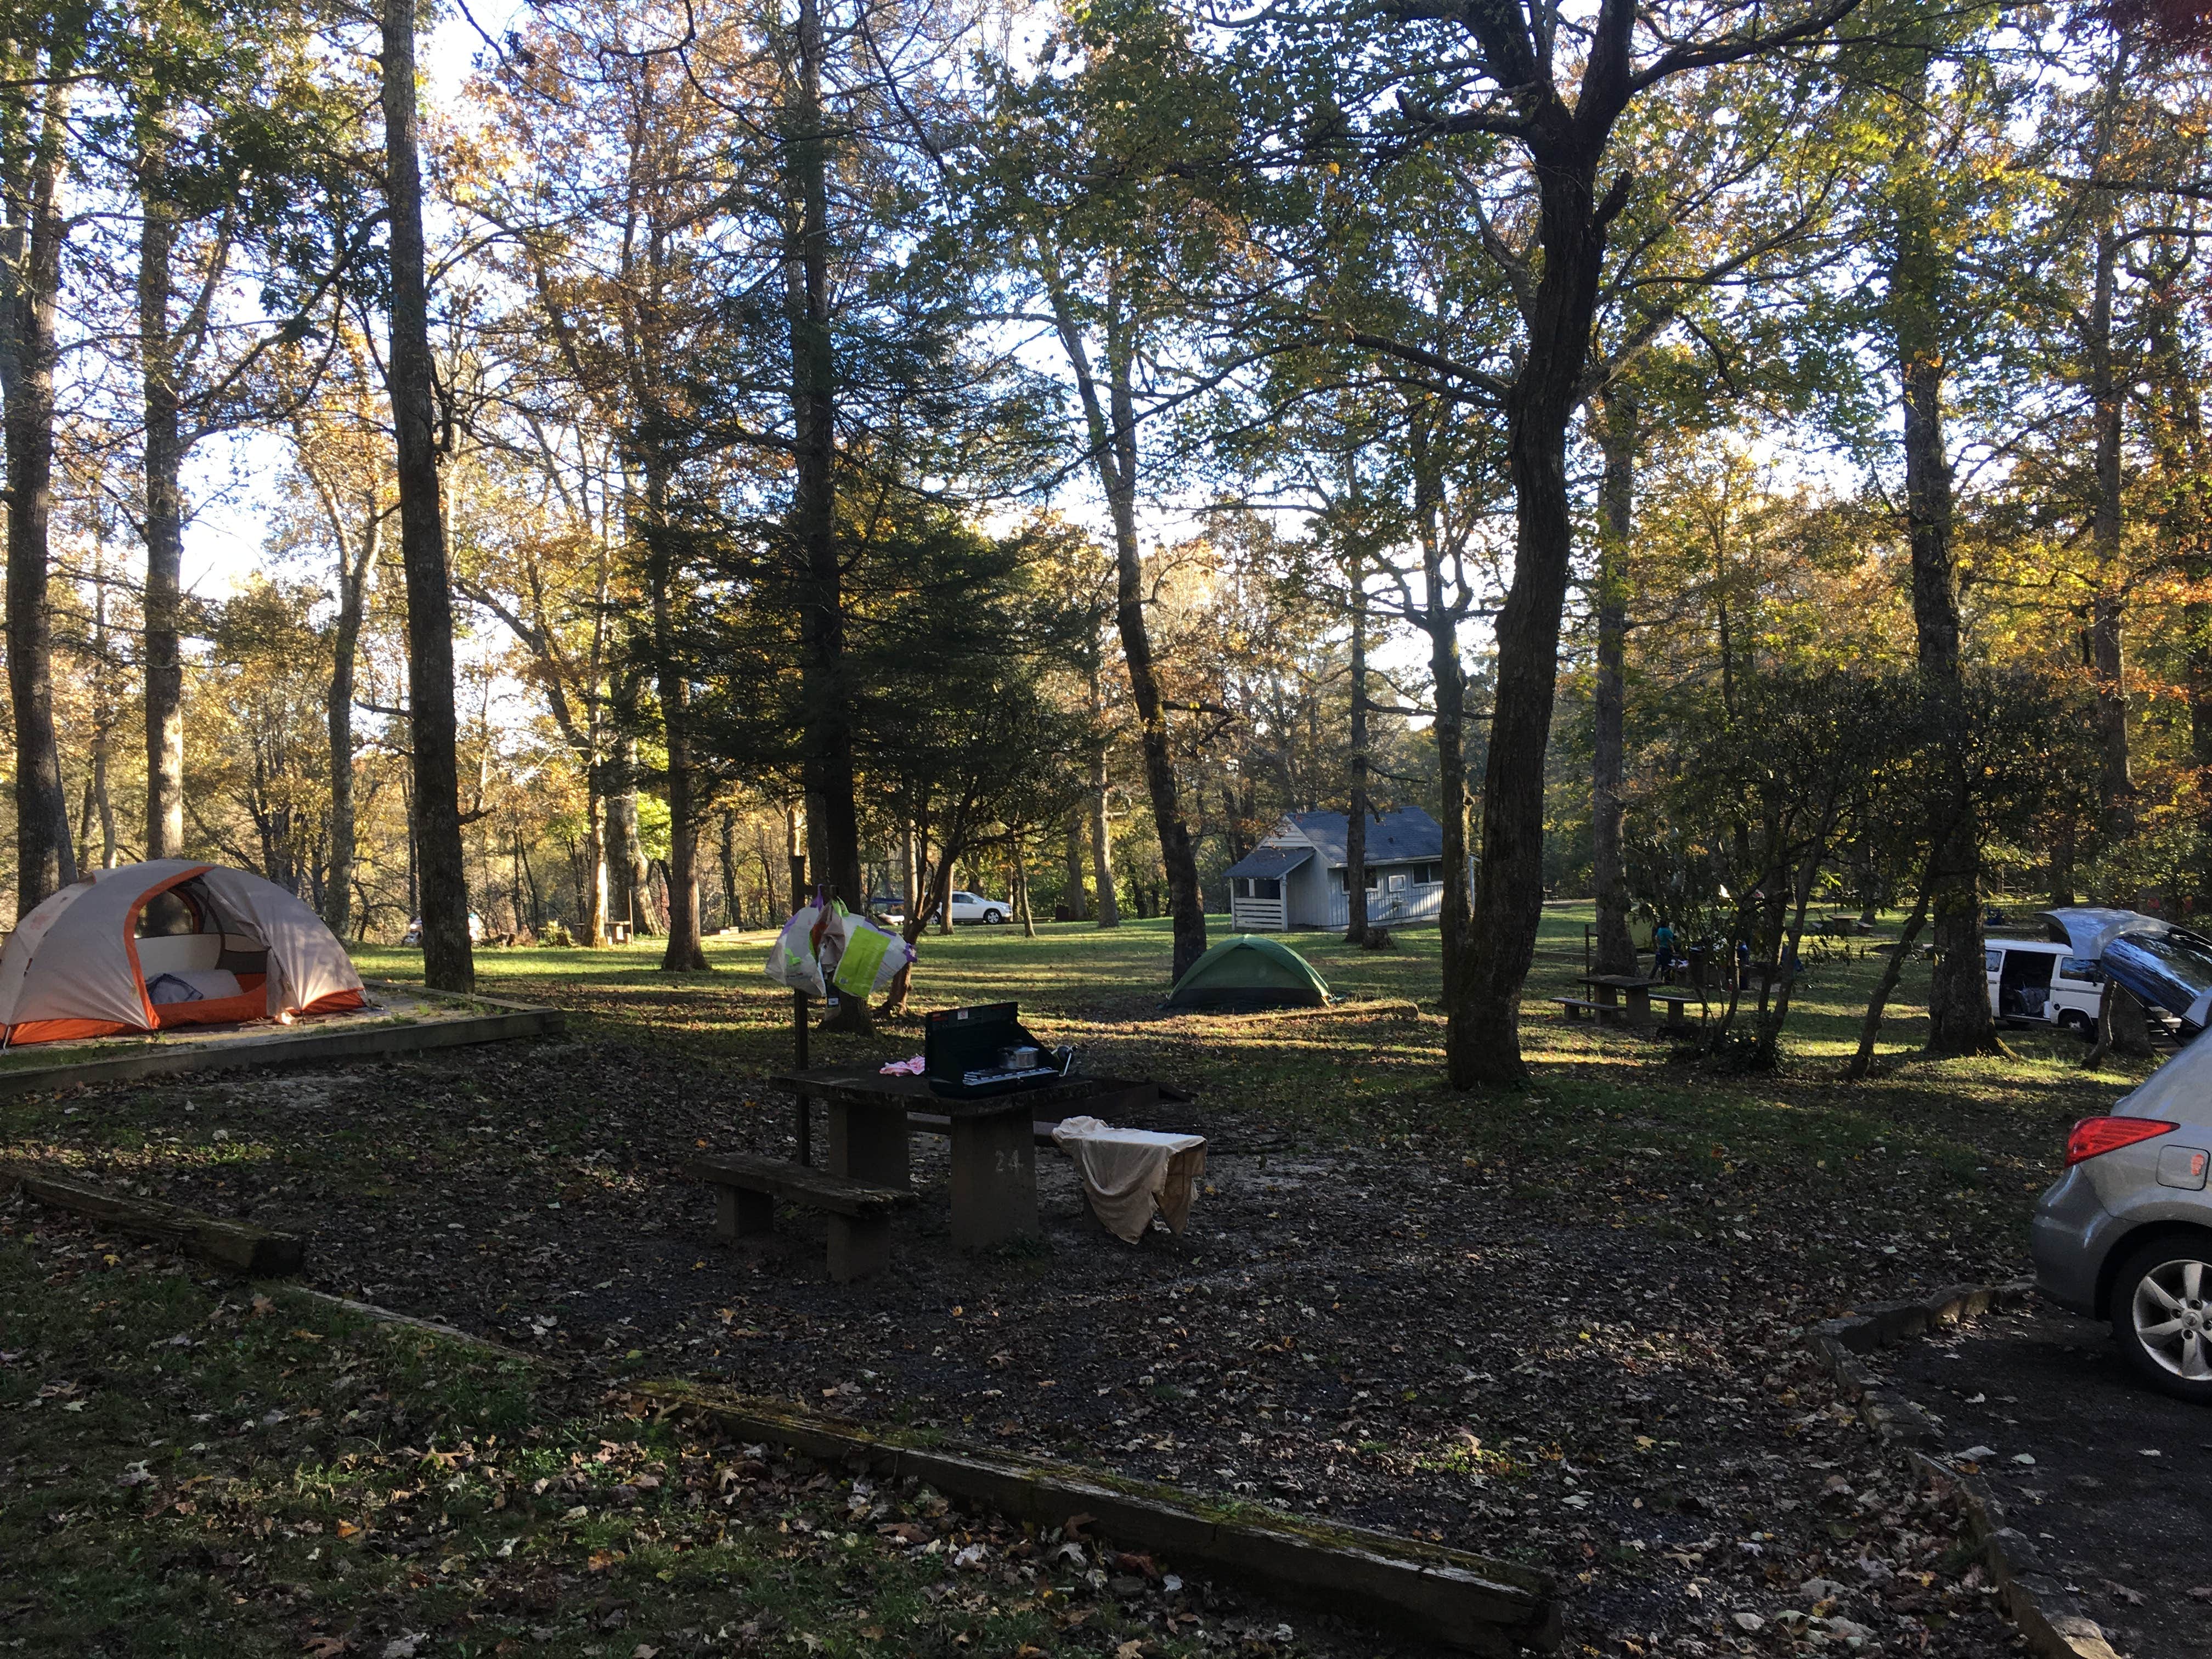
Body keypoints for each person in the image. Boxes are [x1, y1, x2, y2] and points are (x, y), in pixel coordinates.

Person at [1652, 918, 1676, 983]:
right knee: (1668, 965)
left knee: (1663, 964)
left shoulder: (1660, 930)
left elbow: (1656, 938)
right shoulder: (1667, 931)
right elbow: (1670, 941)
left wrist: (1658, 946)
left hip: (1661, 948)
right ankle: (1667, 979)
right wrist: (1673, 950)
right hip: (1667, 949)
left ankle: (1662, 978)